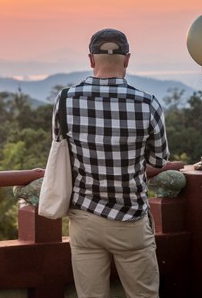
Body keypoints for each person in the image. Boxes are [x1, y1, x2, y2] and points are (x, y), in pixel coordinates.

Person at [52, 28, 174, 298]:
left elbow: (61, 149)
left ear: (91, 59)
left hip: (84, 217)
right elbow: (159, 159)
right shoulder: (148, 104)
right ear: (127, 59)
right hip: (130, 217)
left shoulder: (65, 100)